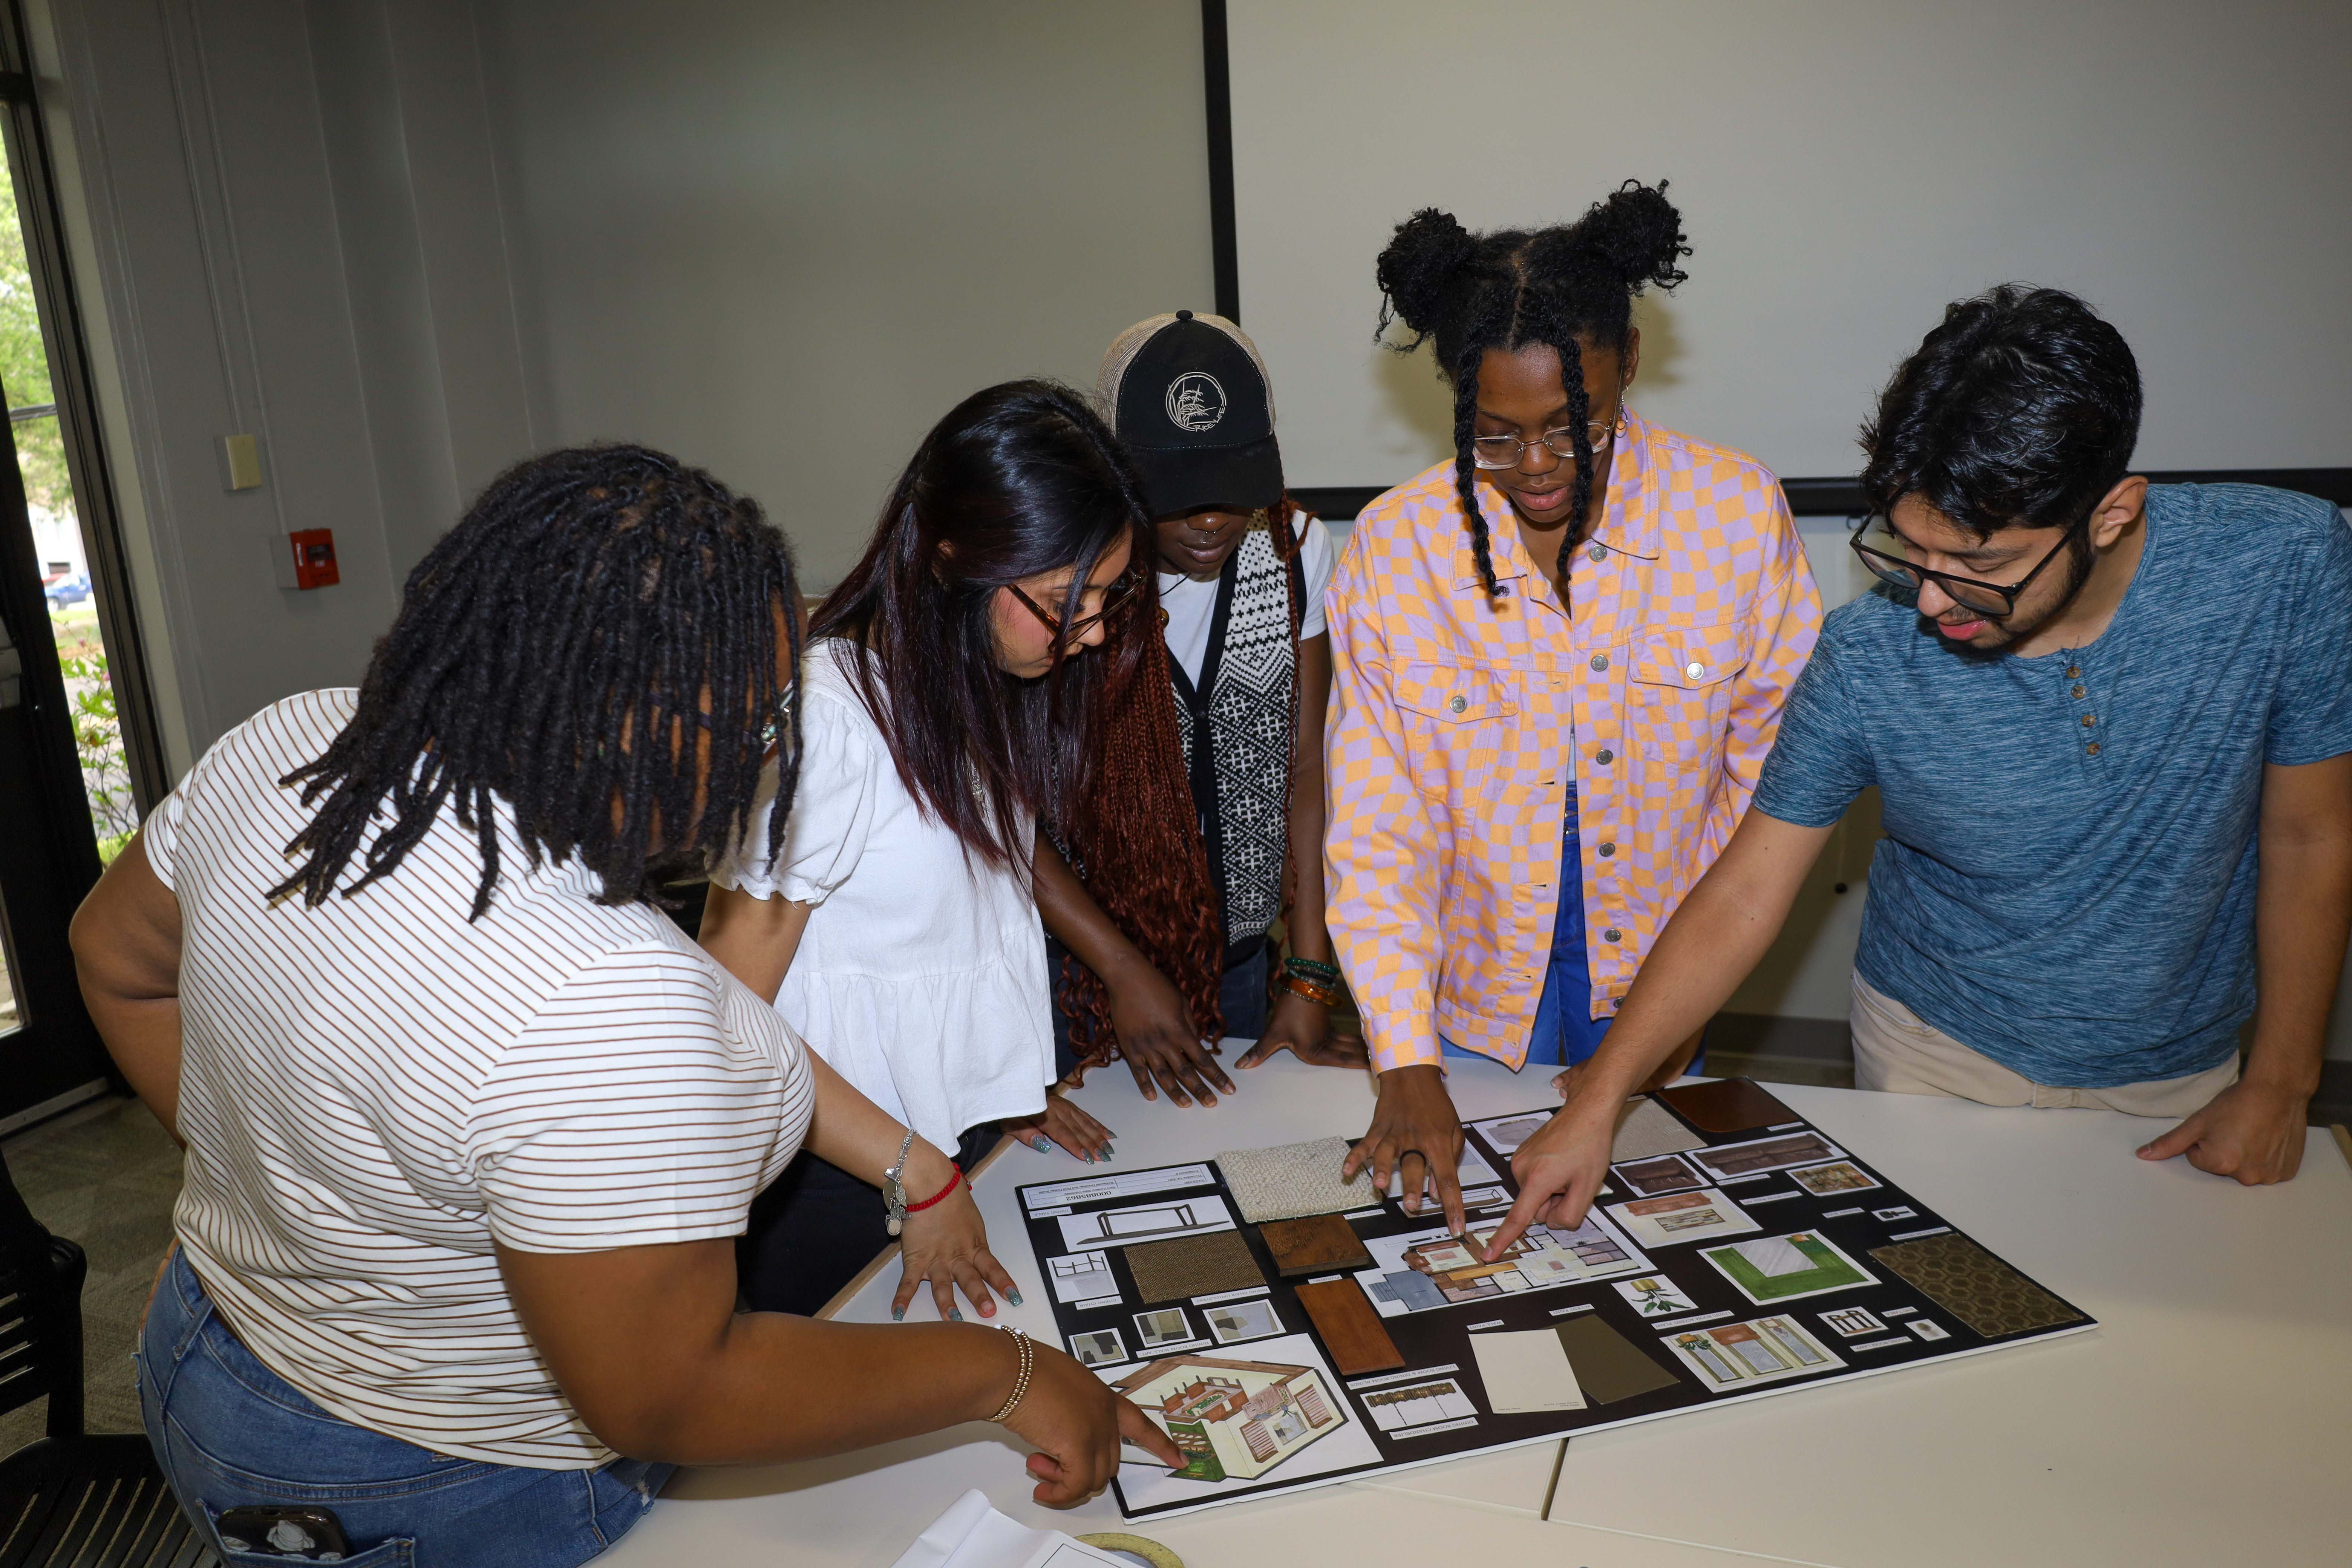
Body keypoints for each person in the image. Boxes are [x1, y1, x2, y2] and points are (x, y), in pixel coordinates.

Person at [70, 444, 1174, 1568]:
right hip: (437, 1481)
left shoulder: (293, 741)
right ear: (649, 728)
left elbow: (113, 961)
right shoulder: (602, 998)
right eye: (757, 729)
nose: (769, 763)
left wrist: (281, 1202)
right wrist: (1016, 1376)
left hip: (204, 1351)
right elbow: (673, 1395)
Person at [1490, 285, 2352, 1254]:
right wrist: (1601, 1098)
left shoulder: (2286, 567)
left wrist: (2281, 1082)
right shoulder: (1866, 658)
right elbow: (1743, 893)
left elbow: (2309, 832)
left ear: (2110, 514)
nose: (1933, 600)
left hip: (2181, 1067)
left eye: (1979, 564)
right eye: (1910, 549)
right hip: (1933, 1053)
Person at [1325, 183, 1824, 1236]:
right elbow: (1378, 827)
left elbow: (1765, 791)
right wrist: (1405, 1057)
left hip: (1661, 975)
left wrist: (1673, 1009)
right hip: (1464, 1002)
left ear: (1629, 365)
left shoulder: (1732, 516)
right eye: (1495, 437)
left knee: (1654, 1257)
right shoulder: (1396, 548)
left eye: (1571, 427)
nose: (1539, 468)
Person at [698, 381, 1148, 1316]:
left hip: (945, 1141)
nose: (1097, 630)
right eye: (1071, 600)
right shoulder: (832, 726)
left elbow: (962, 917)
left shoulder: (984, 676)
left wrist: (996, 1086)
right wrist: (919, 1173)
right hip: (845, 1175)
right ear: (956, 562)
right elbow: (726, 1018)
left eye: (1110, 595)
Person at [1029, 310, 1366, 1121]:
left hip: (1244, 961)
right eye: (1179, 497)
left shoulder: (1293, 549)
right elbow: (1001, 808)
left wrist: (1308, 972)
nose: (1212, 518)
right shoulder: (1059, 575)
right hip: (1080, 970)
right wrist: (1121, 970)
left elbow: (1307, 766)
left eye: (1234, 486)